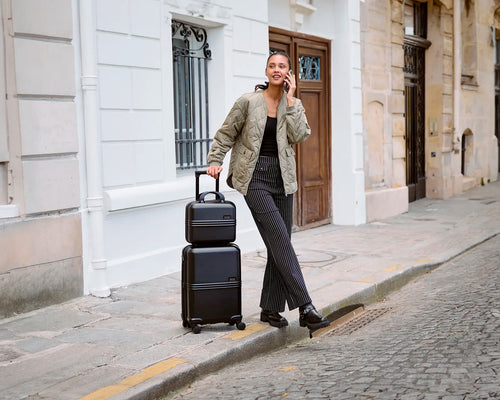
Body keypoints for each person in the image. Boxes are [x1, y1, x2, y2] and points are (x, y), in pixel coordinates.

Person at [206, 51, 329, 332]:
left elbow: (301, 135)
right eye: (272, 66)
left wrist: (293, 99)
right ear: (266, 71)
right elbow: (226, 133)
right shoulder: (248, 102)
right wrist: (215, 160)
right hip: (254, 178)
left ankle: (270, 308)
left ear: (288, 73)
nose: (277, 70)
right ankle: (306, 307)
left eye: (282, 66)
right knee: (281, 241)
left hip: (283, 179)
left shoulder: (290, 103)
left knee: (279, 243)